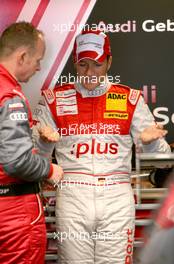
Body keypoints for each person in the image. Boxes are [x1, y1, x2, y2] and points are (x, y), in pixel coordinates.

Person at [32, 29, 170, 264]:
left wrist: (152, 142)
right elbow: (34, 161)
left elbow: (163, 160)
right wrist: (44, 144)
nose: (89, 72)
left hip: (116, 195)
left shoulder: (131, 99)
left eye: (96, 64)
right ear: (75, 63)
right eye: (83, 64)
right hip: (73, 195)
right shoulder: (53, 100)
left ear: (109, 61)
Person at [0, 22, 63, 264]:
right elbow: (16, 161)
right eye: (38, 60)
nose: (39, 67)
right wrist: (50, 170)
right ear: (23, 56)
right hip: (14, 213)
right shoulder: (10, 96)